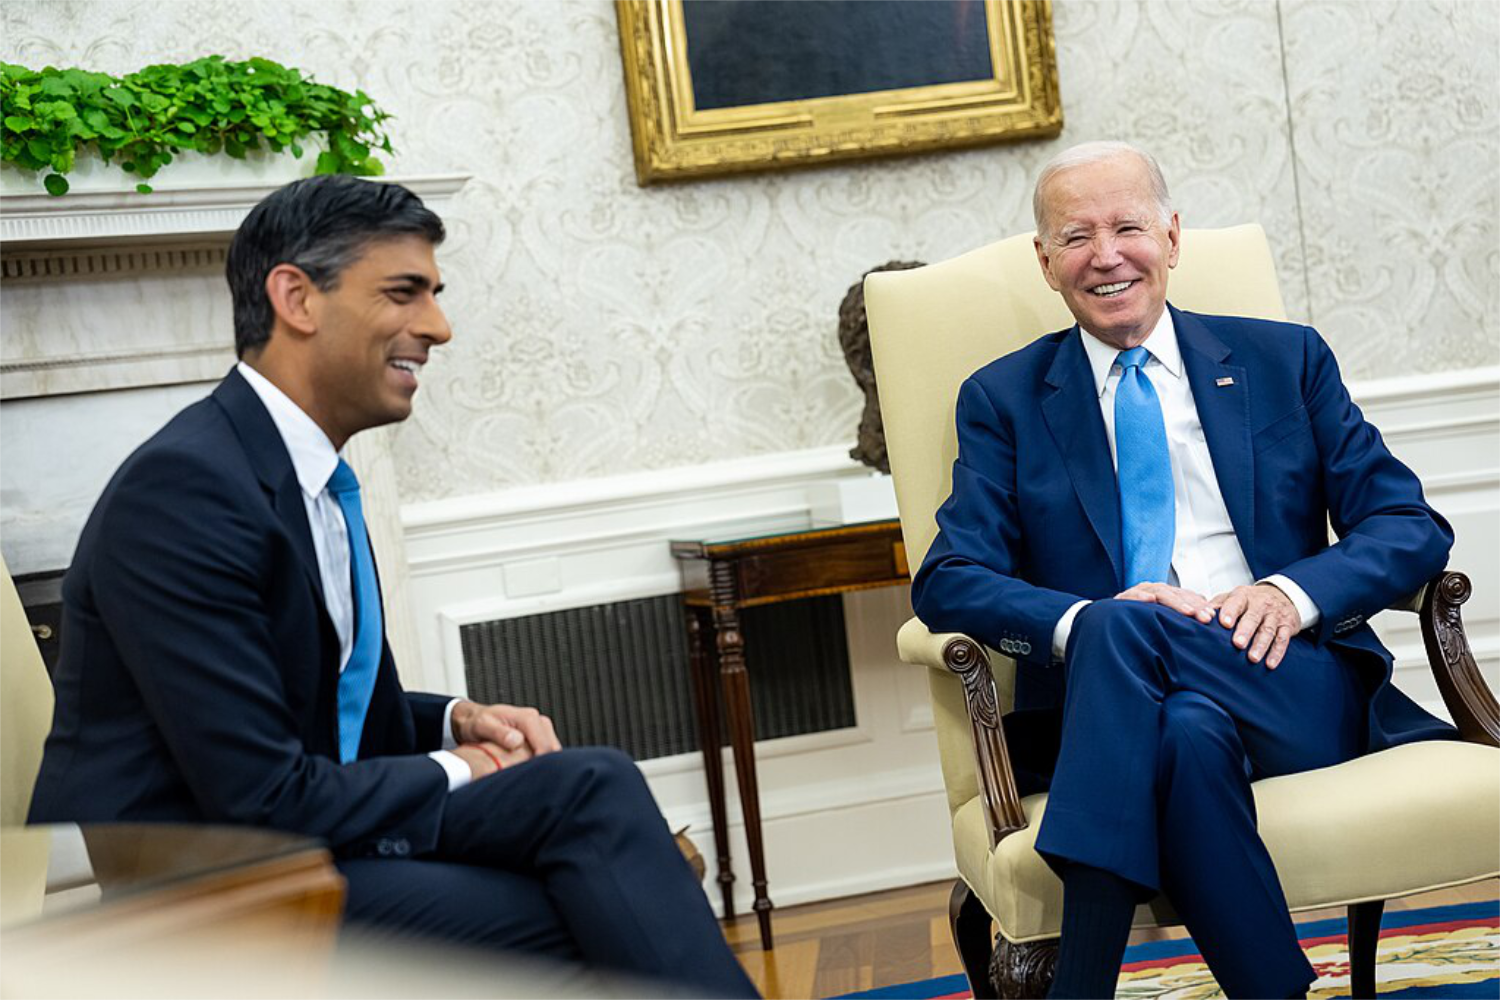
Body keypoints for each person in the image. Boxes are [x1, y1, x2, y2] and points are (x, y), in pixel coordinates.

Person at [28, 175, 758, 997]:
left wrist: (454, 719)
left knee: (592, 786)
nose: (438, 328)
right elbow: (261, 794)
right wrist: (466, 767)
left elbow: (318, 712)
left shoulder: (307, 479)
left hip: (312, 837)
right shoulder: (184, 490)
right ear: (296, 298)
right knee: (612, 899)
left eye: (435, 296)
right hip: (221, 884)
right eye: (405, 293)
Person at [910, 141, 1454, 999]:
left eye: (1128, 226)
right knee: (1184, 728)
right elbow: (948, 579)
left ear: (1171, 236)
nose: (1107, 254)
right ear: (1046, 263)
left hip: (1292, 683)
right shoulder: (1004, 399)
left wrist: (1290, 592)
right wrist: (1082, 623)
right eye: (1077, 236)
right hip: (1127, 708)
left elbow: (1408, 525)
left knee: (1127, 632)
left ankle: (1081, 979)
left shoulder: (1285, 360)